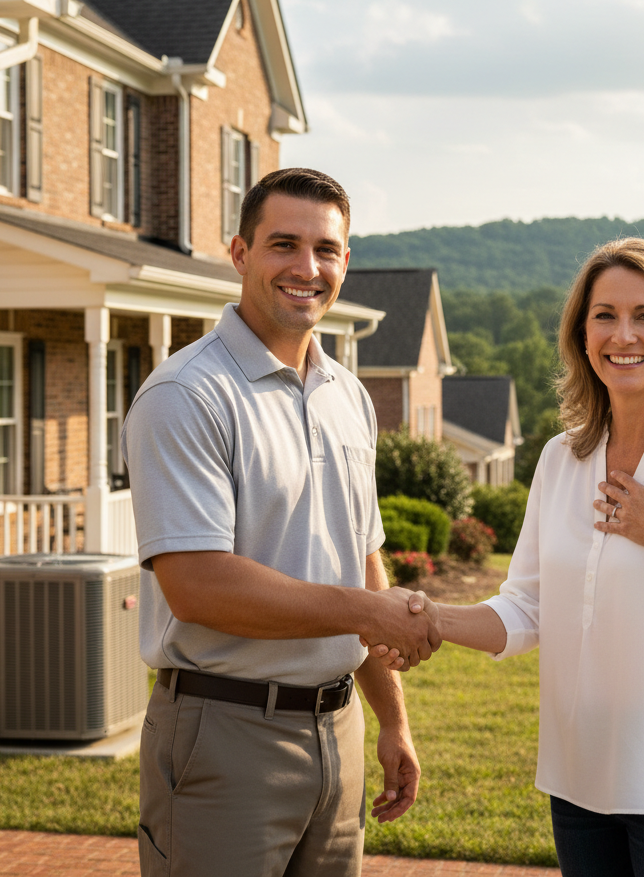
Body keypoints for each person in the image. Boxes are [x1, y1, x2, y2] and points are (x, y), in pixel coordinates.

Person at [386, 237, 644, 877]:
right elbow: (528, 607)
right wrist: (424, 616)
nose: (623, 334)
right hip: (581, 781)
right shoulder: (562, 459)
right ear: (581, 334)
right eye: (604, 314)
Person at [122, 167, 440, 877]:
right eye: (284, 245)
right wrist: (370, 611)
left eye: (326, 250)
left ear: (346, 262)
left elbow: (359, 559)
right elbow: (200, 588)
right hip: (224, 733)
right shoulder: (186, 395)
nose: (307, 268)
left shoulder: (348, 397)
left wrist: (392, 719)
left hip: (340, 732)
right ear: (240, 253)